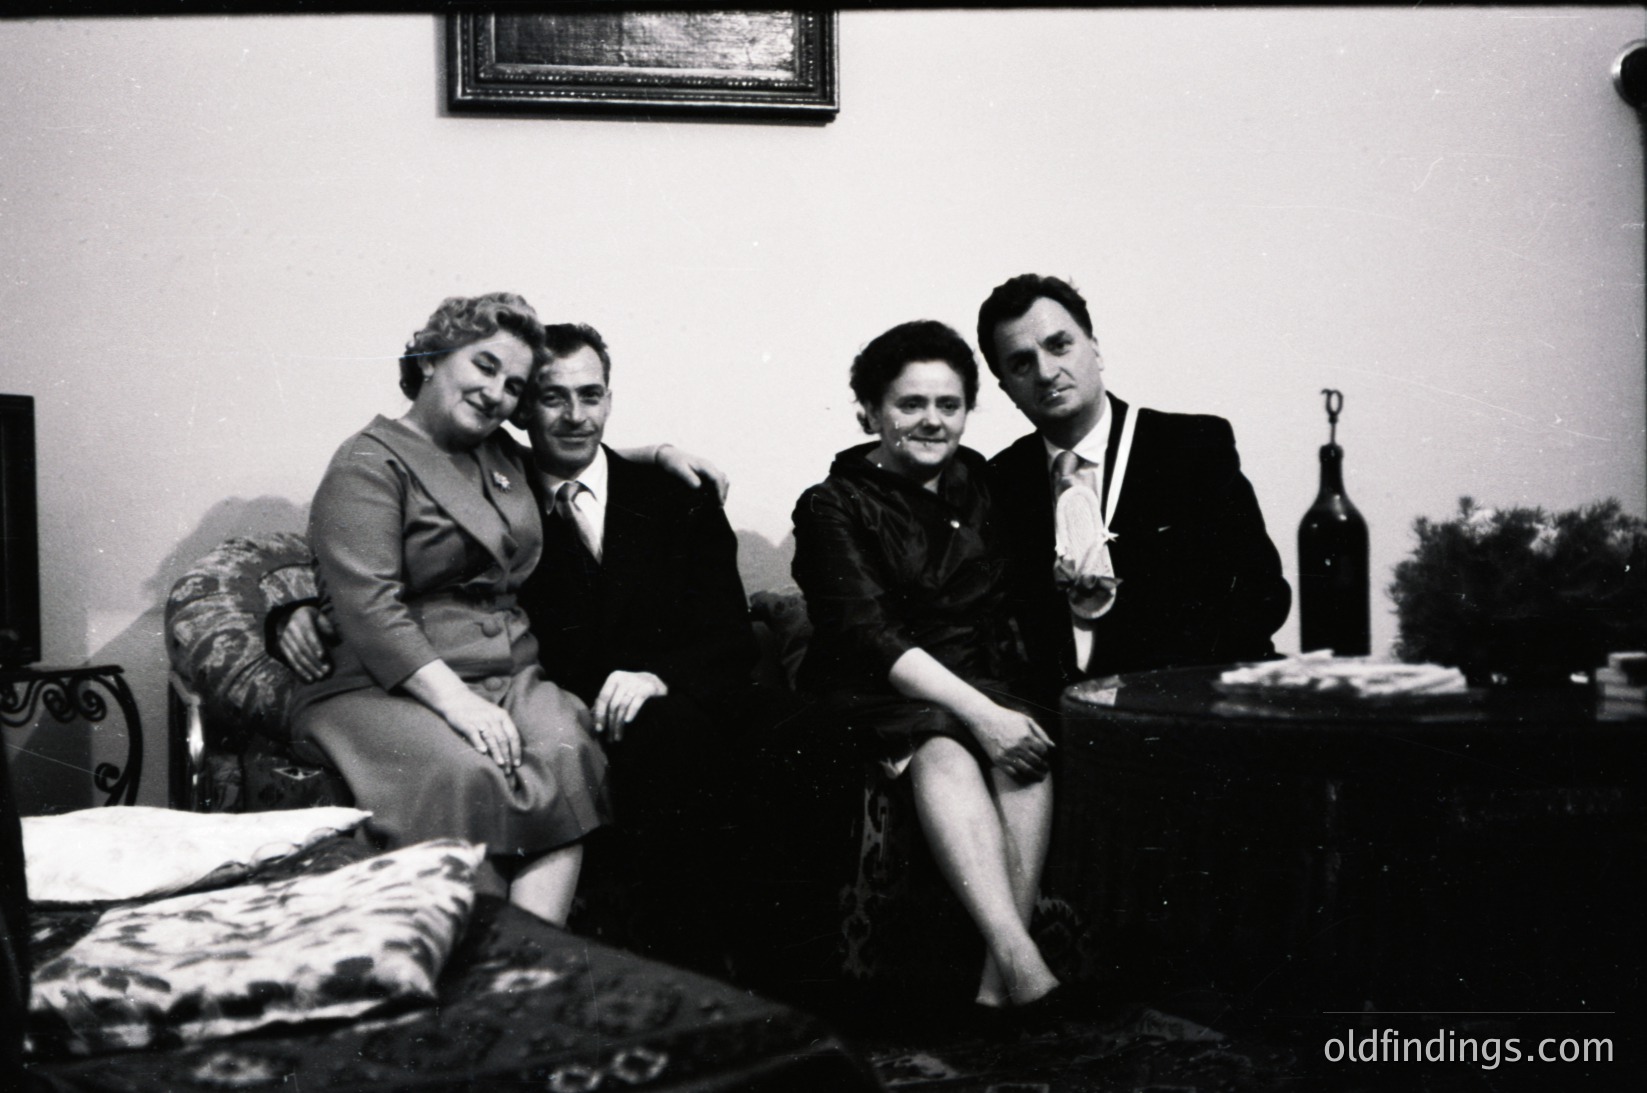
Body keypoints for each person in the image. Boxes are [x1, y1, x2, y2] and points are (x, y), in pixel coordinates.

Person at [287, 292, 608, 925]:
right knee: (467, 770)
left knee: (567, 748)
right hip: (390, 681)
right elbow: (371, 607)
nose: (497, 393)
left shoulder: (499, 457)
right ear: (432, 358)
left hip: (506, 671)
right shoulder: (367, 462)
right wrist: (457, 705)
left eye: (514, 385)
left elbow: (570, 455)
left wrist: (664, 455)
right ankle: (475, 976)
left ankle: (536, 959)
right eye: (484, 366)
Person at [790, 320, 1061, 1012]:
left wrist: (1001, 709)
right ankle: (1021, 960)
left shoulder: (986, 485)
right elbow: (866, 634)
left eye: (949, 404)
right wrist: (982, 713)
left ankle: (999, 986)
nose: (931, 420)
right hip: (873, 691)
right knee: (944, 744)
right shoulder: (832, 503)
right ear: (870, 411)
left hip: (983, 679)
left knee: (1023, 746)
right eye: (910, 404)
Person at [515, 322, 758, 966]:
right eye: (552, 397)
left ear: (610, 398)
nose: (575, 416)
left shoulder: (677, 495)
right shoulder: (494, 500)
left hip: (685, 697)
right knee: (660, 741)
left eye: (591, 396)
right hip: (575, 713)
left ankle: (798, 993)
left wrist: (654, 674)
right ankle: (687, 983)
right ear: (520, 406)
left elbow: (731, 635)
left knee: (798, 734)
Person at [978, 274, 1290, 701]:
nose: (1046, 372)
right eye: (1021, 363)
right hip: (1062, 726)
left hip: (1183, 711)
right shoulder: (997, 482)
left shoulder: (1191, 447)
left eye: (1059, 345)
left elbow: (1261, 594)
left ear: (1095, 348)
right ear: (1006, 389)